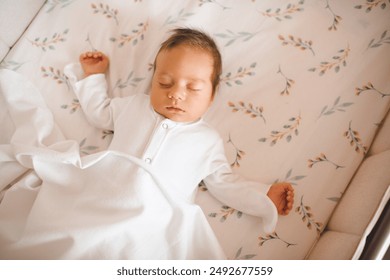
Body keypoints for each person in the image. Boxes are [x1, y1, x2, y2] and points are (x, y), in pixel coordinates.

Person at [66, 28, 294, 234]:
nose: (176, 94)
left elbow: (225, 184)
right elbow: (99, 112)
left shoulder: (206, 140)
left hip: (156, 224)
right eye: (164, 83)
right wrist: (94, 76)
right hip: (104, 202)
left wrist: (265, 198)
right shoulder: (133, 106)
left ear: (212, 96)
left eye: (193, 88)